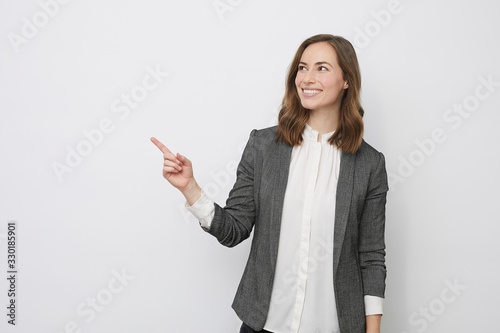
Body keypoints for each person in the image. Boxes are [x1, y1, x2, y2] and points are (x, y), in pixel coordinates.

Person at [151, 34, 389, 333]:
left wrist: (373, 329)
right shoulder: (263, 146)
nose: (307, 78)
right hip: (265, 323)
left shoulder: (369, 164)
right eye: (302, 68)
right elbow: (234, 230)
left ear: (346, 80)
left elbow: (370, 255)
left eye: (322, 68)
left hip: (336, 325)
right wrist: (190, 189)